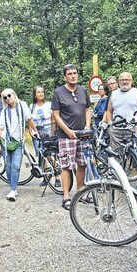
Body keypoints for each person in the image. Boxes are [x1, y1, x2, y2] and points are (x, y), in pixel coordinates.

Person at [51, 64, 91, 210]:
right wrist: (67, 130)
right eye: (70, 74)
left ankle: (80, 192)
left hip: (82, 134)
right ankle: (66, 196)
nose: (73, 76)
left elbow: (87, 109)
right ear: (65, 76)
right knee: (67, 165)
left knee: (82, 163)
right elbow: (55, 115)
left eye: (75, 73)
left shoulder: (82, 90)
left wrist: (87, 126)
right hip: (66, 135)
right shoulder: (58, 92)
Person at [0, 89, 38, 201]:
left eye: (9, 95)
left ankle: (13, 190)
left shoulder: (22, 105)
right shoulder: (4, 111)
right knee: (8, 166)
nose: (8, 98)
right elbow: (0, 127)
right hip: (6, 141)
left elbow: (29, 119)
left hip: (18, 141)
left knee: (16, 166)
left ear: (14, 94)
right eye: (5, 97)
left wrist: (35, 131)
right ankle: (12, 187)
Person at [105, 72, 137, 150]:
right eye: (122, 80)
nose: (124, 82)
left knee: (136, 153)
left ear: (131, 81)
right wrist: (110, 125)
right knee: (116, 154)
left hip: (133, 127)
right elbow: (109, 111)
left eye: (127, 80)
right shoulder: (114, 94)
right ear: (118, 82)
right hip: (117, 129)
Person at [29, 85, 53, 157]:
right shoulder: (32, 106)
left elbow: (53, 118)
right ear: (35, 95)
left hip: (48, 132)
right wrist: (31, 131)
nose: (40, 94)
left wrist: (53, 131)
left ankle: (51, 167)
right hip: (36, 133)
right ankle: (43, 168)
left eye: (42, 92)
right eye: (38, 92)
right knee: (40, 154)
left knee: (49, 153)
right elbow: (30, 119)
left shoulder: (49, 105)